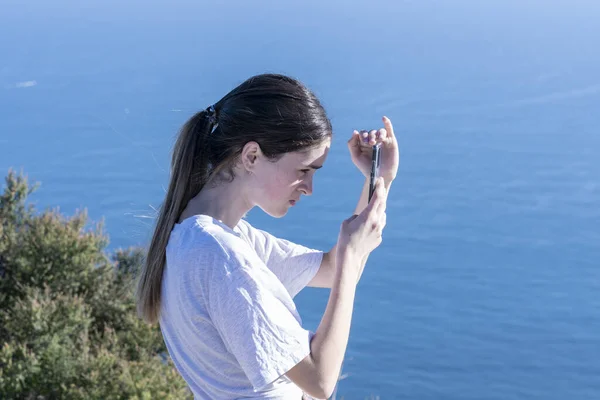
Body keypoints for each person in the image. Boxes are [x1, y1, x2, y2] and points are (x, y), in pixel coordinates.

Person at [136, 73, 399, 399]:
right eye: (304, 170)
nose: (309, 188)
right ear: (251, 156)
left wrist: (380, 181)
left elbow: (332, 271)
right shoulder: (222, 258)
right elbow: (320, 380)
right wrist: (351, 253)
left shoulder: (211, 238)